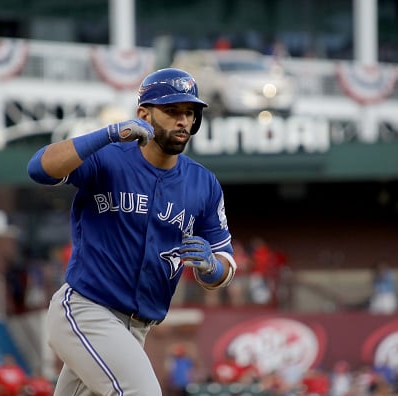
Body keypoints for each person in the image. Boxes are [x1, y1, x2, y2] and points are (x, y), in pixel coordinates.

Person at [27, 67, 237, 395]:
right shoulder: (108, 158)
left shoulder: (203, 184)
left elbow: (226, 264)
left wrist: (211, 266)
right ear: (143, 114)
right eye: (171, 111)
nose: (183, 121)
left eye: (189, 112)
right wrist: (107, 134)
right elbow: (39, 168)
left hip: (137, 329)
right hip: (86, 309)